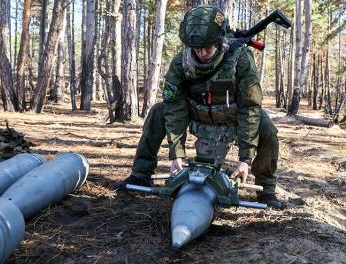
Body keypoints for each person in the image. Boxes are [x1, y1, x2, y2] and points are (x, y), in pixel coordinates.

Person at [118, 5, 284, 209]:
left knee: (266, 127)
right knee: (158, 111)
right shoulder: (181, 63)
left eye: (208, 47)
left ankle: (266, 190)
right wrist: (176, 154)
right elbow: (174, 107)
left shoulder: (241, 59)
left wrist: (245, 159)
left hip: (231, 117)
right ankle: (140, 175)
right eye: (197, 49)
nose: (203, 53)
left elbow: (249, 108)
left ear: (220, 41)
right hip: (197, 114)